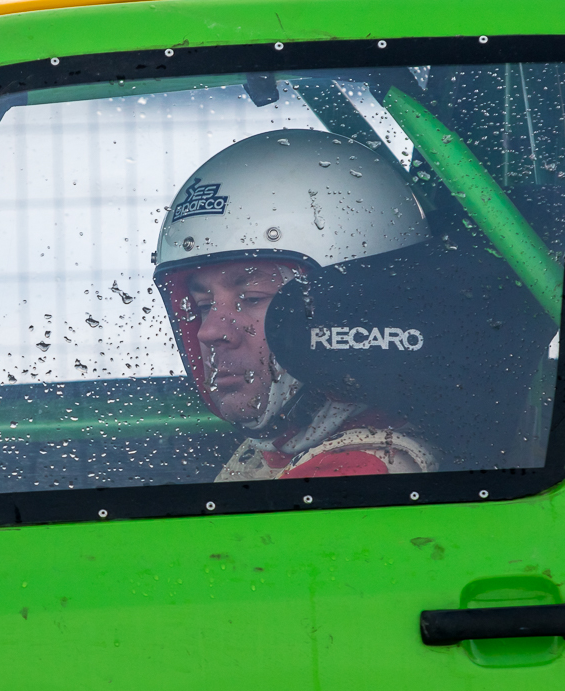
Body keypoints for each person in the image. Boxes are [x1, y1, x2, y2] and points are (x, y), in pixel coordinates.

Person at [153, 128, 440, 481]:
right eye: (202, 305)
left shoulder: (358, 472)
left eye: (251, 299)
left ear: (351, 309)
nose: (209, 331)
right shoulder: (282, 451)